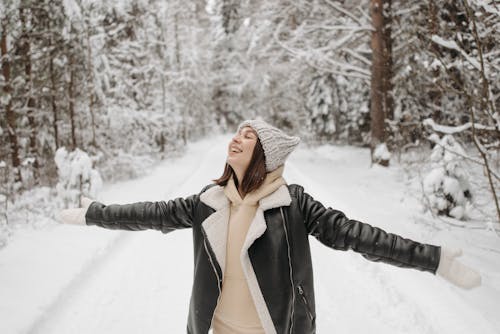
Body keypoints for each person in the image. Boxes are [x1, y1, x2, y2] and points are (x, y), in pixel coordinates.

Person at [58, 119, 481, 334]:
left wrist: (433, 259)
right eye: (236, 133)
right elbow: (149, 213)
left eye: (249, 136)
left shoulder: (293, 205)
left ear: (266, 155)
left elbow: (359, 235)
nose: (236, 139)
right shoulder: (208, 202)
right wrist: (97, 213)